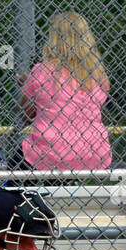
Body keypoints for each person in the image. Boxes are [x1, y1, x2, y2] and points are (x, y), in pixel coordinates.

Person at [16, 12, 112, 171]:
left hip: (50, 151)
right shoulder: (98, 75)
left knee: (17, 165)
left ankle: (19, 194)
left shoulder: (42, 71)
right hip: (94, 151)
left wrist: (31, 86)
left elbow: (25, 114)